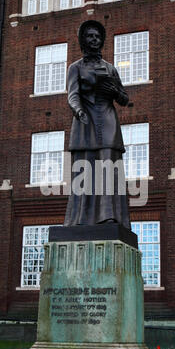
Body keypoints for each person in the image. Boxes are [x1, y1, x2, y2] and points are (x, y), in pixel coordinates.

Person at [64, 20, 131, 229]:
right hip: (85, 120)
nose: (94, 39)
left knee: (108, 167)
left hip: (108, 120)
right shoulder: (75, 68)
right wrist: (78, 110)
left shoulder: (110, 69)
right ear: (83, 40)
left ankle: (110, 216)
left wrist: (114, 91)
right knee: (84, 168)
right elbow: (72, 95)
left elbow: (124, 98)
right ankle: (80, 218)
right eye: (90, 36)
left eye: (97, 36)